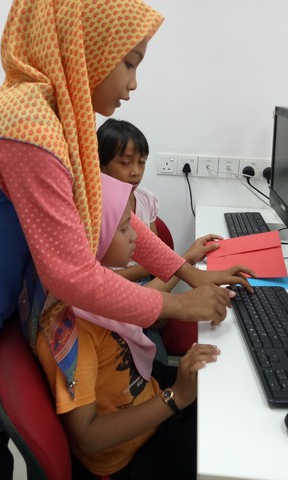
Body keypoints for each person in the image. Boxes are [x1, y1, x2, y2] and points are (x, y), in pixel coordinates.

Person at [0, 1, 253, 479]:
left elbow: (119, 218)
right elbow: (71, 275)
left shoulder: (51, 116)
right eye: (129, 62)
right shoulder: (31, 131)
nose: (133, 83)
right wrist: (180, 304)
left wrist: (192, 276)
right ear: (85, 48)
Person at [37, 173, 218, 479]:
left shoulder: (96, 294)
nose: (136, 235)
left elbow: (146, 301)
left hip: (149, 402)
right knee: (222, 447)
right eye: (124, 228)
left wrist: (192, 272)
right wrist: (176, 398)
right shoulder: (72, 329)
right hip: (129, 457)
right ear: (90, 236)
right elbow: (88, 437)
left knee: (221, 391)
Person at [98, 118, 222, 362]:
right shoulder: (99, 210)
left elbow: (157, 256)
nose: (136, 171)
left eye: (142, 162)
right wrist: (181, 261)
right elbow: (105, 281)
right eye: (125, 163)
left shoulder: (145, 199)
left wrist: (174, 265)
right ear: (100, 165)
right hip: (120, 297)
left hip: (149, 283)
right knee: (155, 360)